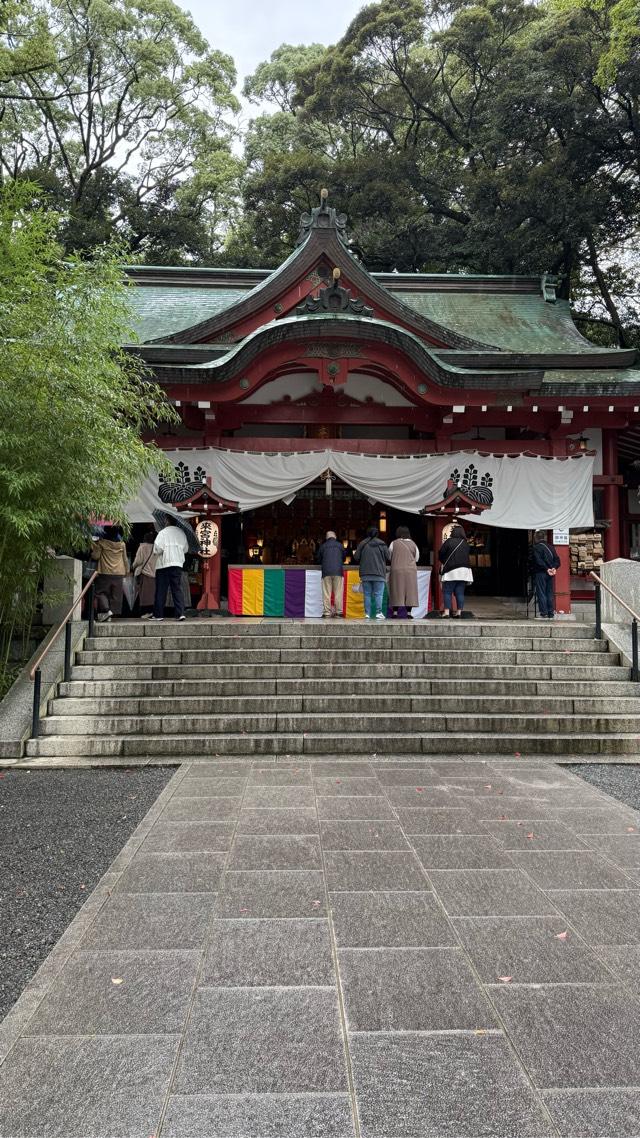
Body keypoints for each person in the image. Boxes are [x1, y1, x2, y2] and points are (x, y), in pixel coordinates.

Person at [91, 526, 129, 623]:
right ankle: (110, 615)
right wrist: (127, 571)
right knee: (115, 595)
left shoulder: (102, 543)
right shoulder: (122, 544)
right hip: (119, 572)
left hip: (105, 571)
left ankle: (106, 611)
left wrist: (94, 546)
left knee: (100, 592)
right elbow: (125, 559)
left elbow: (96, 556)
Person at [152, 521, 189, 621]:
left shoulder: (162, 533)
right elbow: (185, 549)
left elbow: (157, 549)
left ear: (167, 521)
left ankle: (159, 614)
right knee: (177, 588)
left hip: (164, 564)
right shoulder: (181, 533)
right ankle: (180, 613)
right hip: (177, 564)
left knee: (161, 590)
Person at [354, 526, 391, 620]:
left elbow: (356, 557)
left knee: (367, 594)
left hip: (365, 574)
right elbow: (388, 557)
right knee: (379, 594)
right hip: (379, 573)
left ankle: (367, 613)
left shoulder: (362, 543)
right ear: (377, 534)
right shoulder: (382, 544)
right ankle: (378, 612)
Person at [438, 523, 472, 617]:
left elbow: (441, 554)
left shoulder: (449, 542)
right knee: (460, 592)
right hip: (464, 571)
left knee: (447, 591)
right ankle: (458, 612)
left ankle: (446, 612)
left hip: (451, 571)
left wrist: (444, 561)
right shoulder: (465, 543)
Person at [388, 525, 419, 617]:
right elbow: (416, 558)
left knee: (396, 590)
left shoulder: (393, 543)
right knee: (410, 591)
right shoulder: (414, 544)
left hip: (397, 570)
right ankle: (409, 613)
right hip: (410, 570)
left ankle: (395, 612)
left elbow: (389, 556)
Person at [529, 530, 561, 619]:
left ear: (536, 538)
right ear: (544, 537)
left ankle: (544, 612)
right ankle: (551, 612)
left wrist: (546, 569)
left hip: (541, 572)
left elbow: (538, 561)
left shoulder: (536, 547)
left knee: (541, 592)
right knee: (549, 592)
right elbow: (557, 560)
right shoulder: (551, 547)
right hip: (551, 573)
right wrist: (554, 568)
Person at [316, 530, 345, 617]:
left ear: (326, 537)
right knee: (338, 593)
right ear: (335, 537)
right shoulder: (340, 545)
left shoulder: (323, 546)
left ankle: (327, 613)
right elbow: (344, 558)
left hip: (326, 572)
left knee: (326, 593)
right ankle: (339, 612)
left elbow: (318, 559)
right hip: (338, 572)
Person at [131, 530, 157, 619]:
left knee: (144, 595)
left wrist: (132, 566)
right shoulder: (156, 547)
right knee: (151, 594)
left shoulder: (142, 547)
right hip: (153, 573)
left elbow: (138, 561)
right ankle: (151, 611)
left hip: (144, 573)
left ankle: (145, 612)